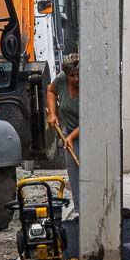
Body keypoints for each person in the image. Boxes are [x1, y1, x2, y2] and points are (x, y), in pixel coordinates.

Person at [46, 53, 81, 213]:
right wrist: (52, 113)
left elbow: (92, 117)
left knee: (89, 173)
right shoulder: (61, 80)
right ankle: (80, 210)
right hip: (69, 132)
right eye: (72, 75)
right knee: (74, 172)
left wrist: (72, 137)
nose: (76, 79)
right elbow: (51, 91)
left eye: (78, 74)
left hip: (91, 133)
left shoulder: (92, 83)